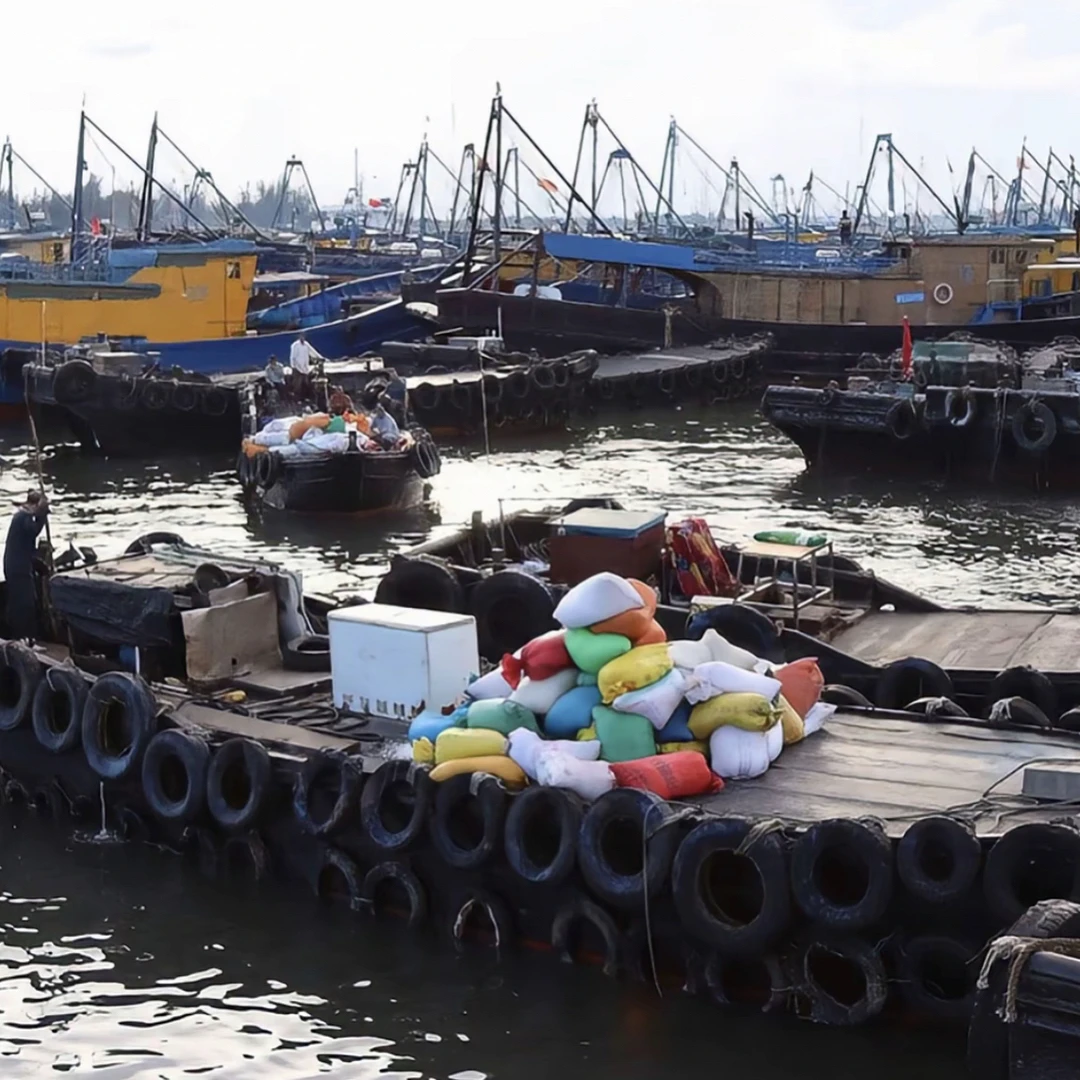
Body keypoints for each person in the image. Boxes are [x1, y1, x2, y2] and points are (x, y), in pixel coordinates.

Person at [4, 491, 49, 642]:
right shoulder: (25, 517)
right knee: (25, 604)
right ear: (35, 505)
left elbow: (26, 545)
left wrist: (37, 564)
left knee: (21, 602)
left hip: (16, 564)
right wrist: (42, 516)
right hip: (19, 568)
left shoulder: (20, 516)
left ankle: (23, 637)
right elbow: (33, 531)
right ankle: (24, 638)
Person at [289, 332, 322, 400]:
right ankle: (296, 399)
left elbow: (312, 351)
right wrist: (293, 367)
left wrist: (320, 357)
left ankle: (306, 397)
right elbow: (292, 357)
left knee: (306, 383)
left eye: (303, 336)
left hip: (305, 368)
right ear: (299, 337)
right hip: (297, 368)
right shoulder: (295, 345)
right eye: (301, 336)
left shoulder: (306, 344)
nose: (302, 338)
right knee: (297, 385)